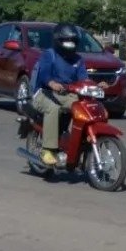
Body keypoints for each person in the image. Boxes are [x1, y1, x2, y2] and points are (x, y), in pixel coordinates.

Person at [31, 23, 104, 167]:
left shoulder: (78, 60)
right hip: (44, 93)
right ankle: (48, 150)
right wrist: (52, 83)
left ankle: (78, 144)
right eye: (66, 40)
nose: (70, 44)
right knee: (53, 108)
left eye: (72, 41)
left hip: (66, 95)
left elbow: (83, 79)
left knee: (83, 109)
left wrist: (95, 85)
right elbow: (44, 74)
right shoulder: (49, 55)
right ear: (58, 40)